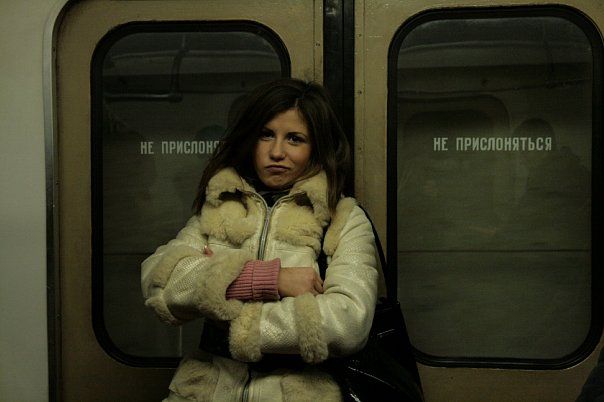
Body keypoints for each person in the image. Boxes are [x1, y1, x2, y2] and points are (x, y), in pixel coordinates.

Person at [141, 78, 379, 401]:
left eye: (294, 139)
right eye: (266, 135)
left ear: (317, 148)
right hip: (207, 392)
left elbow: (348, 322)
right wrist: (270, 280)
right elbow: (161, 282)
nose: (276, 152)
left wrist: (233, 321)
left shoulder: (343, 219)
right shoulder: (221, 204)